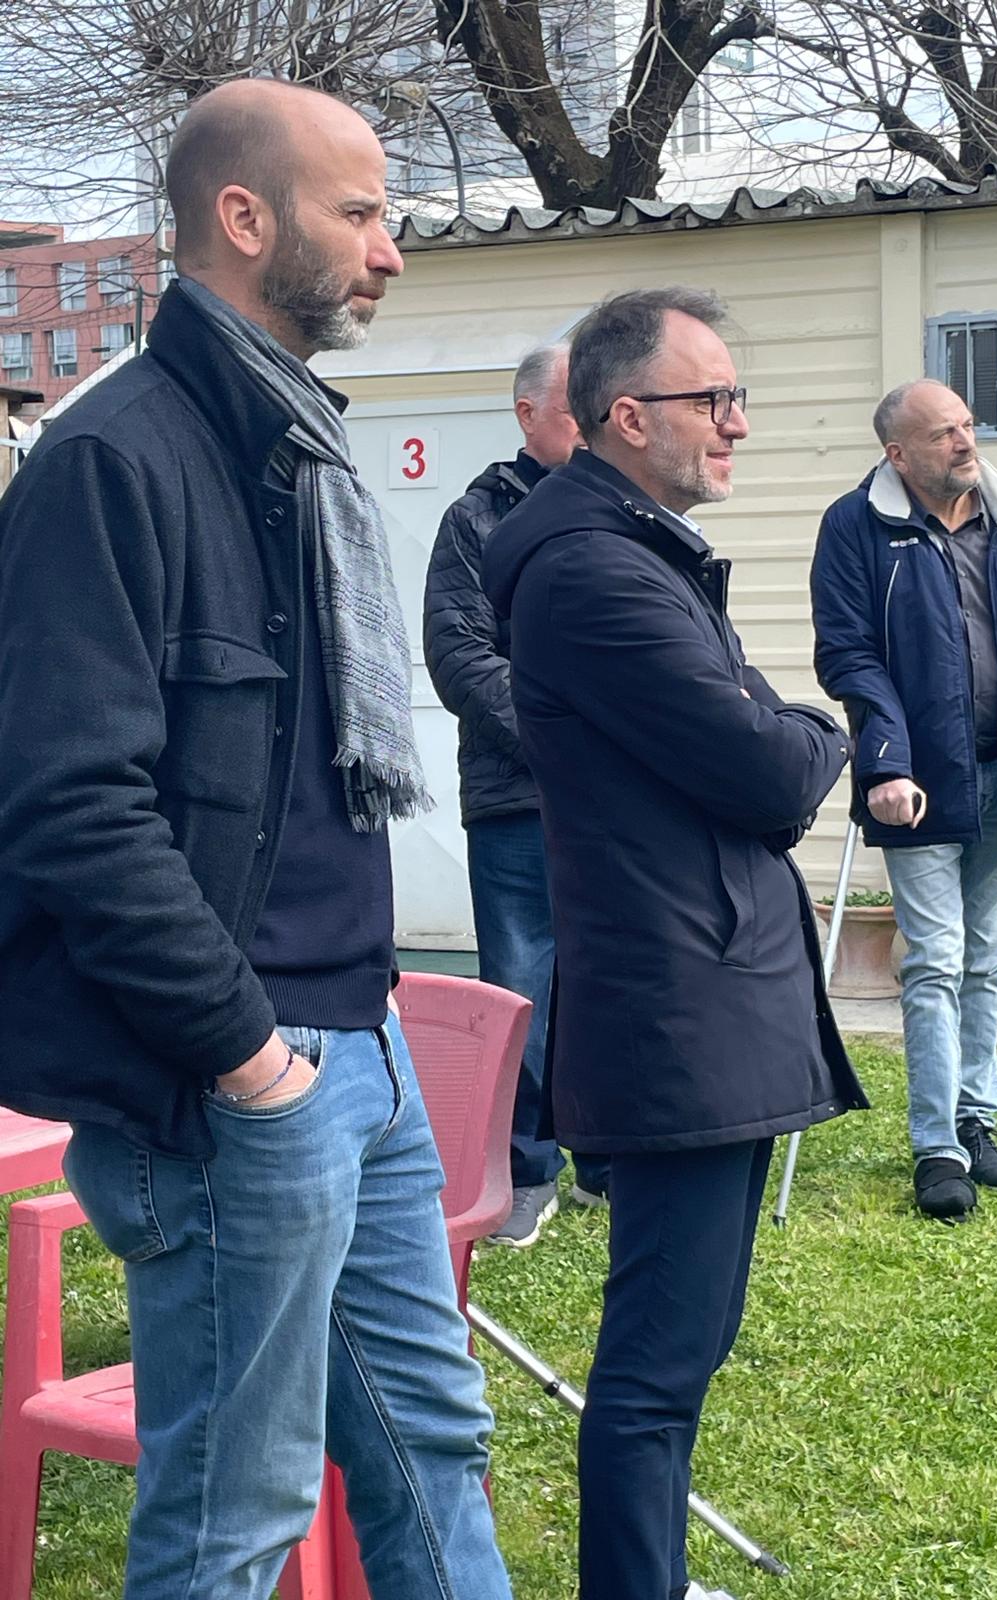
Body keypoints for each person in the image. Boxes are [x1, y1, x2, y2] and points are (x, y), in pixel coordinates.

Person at [0, 80, 512, 1600]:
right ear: (243, 217)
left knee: (433, 1444)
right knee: (237, 1514)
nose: (389, 250)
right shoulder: (114, 458)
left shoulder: (297, 448)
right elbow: (68, 805)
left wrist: (341, 1042)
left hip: (361, 1041)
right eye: (360, 213)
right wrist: (250, 1061)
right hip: (239, 1077)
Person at [481, 286, 868, 1600]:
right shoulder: (592, 574)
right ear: (628, 415)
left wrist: (780, 727)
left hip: (707, 992)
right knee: (655, 1368)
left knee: (682, 1353)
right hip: (678, 1009)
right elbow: (769, 766)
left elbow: (754, 737)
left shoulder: (638, 555)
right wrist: (814, 731)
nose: (738, 424)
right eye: (716, 399)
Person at [810, 379, 997, 1223]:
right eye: (944, 433)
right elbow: (848, 654)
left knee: (985, 962)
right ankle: (938, 1147)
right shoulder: (855, 526)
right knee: (935, 960)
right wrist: (885, 761)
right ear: (897, 453)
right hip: (917, 782)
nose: (966, 442)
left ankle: (978, 1121)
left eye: (968, 425)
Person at [424, 344, 609, 1246]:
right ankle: (525, 1172)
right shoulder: (477, 521)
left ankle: (608, 1159)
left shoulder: (625, 511)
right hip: (518, 797)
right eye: (577, 406)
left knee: (613, 979)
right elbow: (460, 656)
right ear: (528, 415)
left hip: (619, 800)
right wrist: (563, 738)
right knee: (522, 986)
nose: (597, 420)